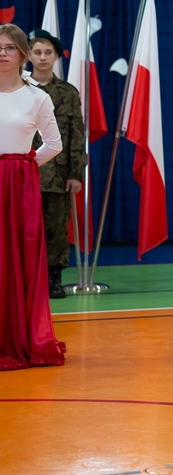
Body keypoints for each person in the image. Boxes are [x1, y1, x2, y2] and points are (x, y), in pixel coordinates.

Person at [0, 23, 66, 370]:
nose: (2, 53)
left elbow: (54, 144)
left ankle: (22, 337)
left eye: (10, 47)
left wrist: (22, 165)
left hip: (17, 185)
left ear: (22, 53)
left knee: (19, 259)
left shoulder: (37, 97)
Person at [26, 30, 85, 299]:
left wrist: (75, 173)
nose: (43, 58)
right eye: (37, 52)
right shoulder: (18, 89)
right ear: (28, 55)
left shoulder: (68, 93)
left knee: (56, 228)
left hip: (58, 175)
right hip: (23, 171)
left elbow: (76, 134)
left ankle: (53, 278)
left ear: (57, 56)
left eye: (48, 52)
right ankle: (24, 278)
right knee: (23, 227)